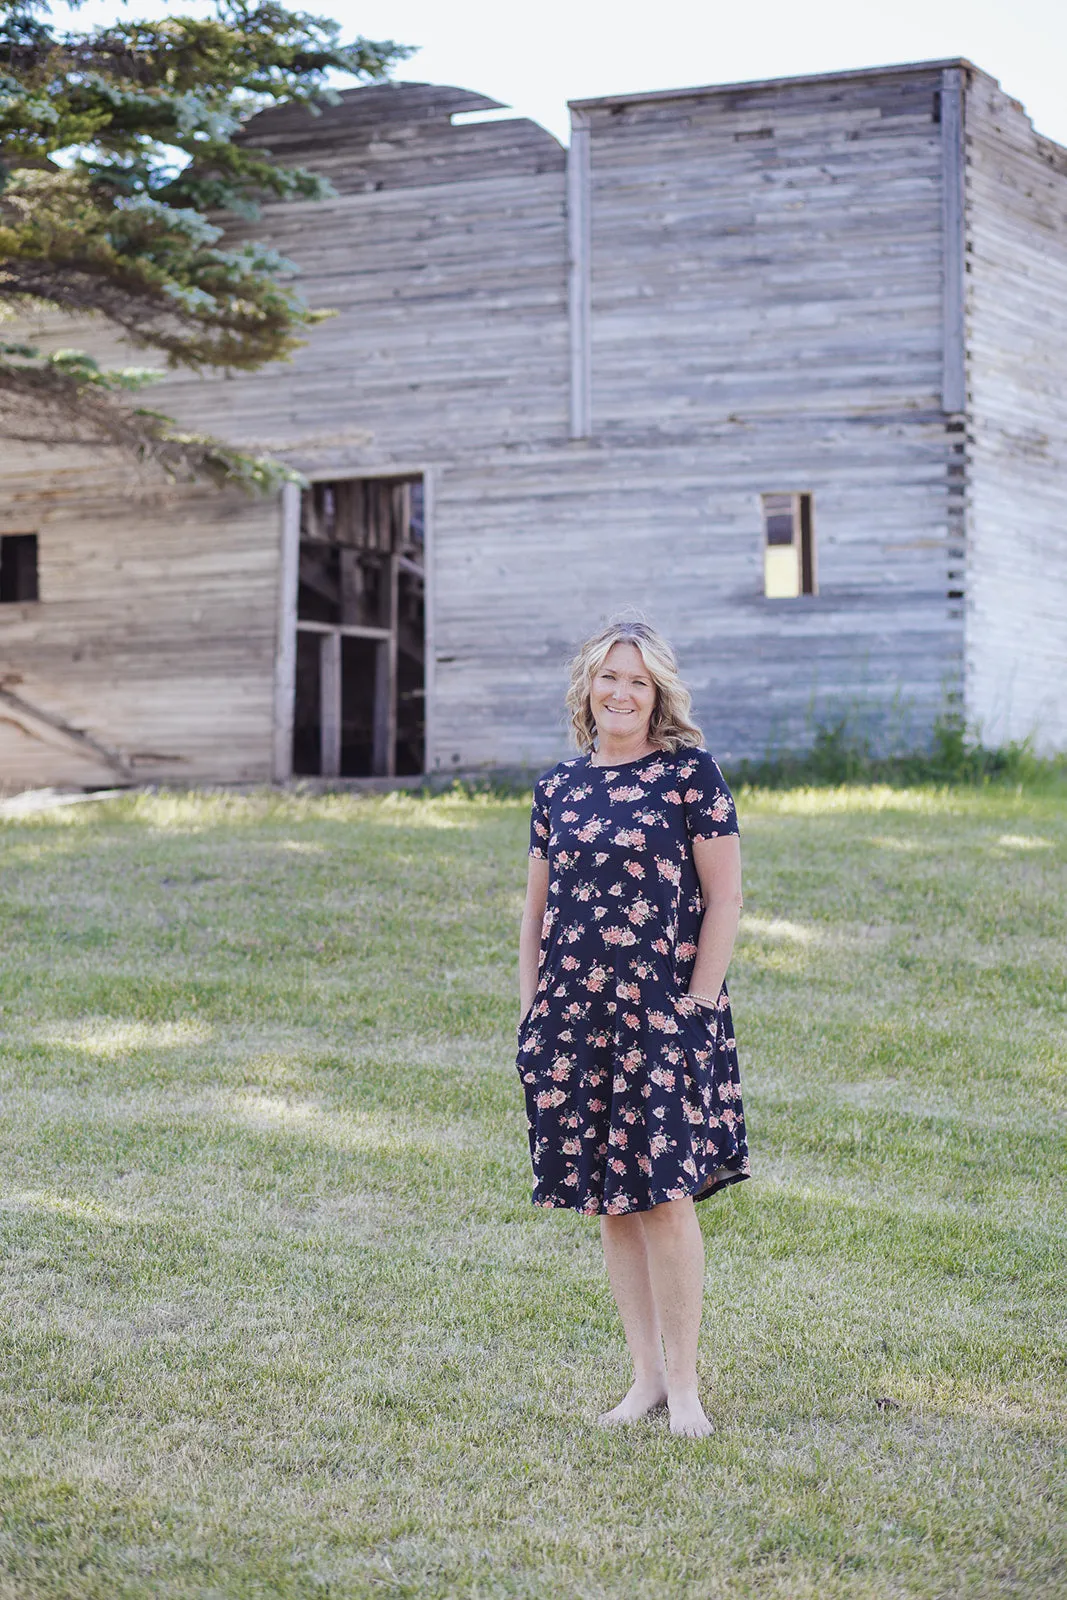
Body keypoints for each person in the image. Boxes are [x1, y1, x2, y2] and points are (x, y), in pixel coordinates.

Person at [516, 618, 750, 1438]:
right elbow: (538, 913)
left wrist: (695, 1006)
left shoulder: (689, 775)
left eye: (638, 681)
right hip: (573, 1018)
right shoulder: (557, 788)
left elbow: (724, 898)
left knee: (665, 1200)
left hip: (663, 1017)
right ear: (587, 686)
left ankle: (685, 1387)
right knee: (611, 1204)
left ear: (658, 696)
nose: (621, 692)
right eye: (609, 677)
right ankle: (643, 1381)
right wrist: (530, 1010)